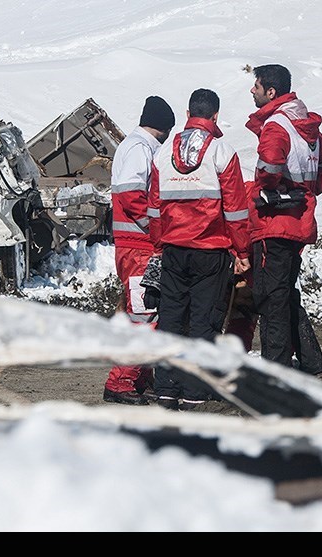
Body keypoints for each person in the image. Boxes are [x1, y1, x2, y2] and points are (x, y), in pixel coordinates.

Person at [148, 88, 251, 410]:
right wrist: (242, 251)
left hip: (173, 250)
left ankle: (166, 387)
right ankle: (194, 392)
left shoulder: (163, 154)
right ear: (215, 116)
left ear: (188, 112)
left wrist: (158, 243)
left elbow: (154, 207)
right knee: (204, 321)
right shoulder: (222, 152)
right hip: (211, 249)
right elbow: (235, 208)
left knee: (171, 319)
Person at [245, 64, 322, 378]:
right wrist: (306, 192)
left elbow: (269, 166)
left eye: (255, 86)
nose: (251, 91)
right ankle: (313, 365)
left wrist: (268, 190)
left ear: (271, 92)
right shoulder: (304, 124)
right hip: (297, 222)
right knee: (284, 293)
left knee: (270, 298)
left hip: (274, 223)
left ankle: (277, 373)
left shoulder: (276, 125)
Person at [102, 96, 175, 405]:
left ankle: (137, 379)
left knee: (145, 314)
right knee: (144, 317)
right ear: (166, 128)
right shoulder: (140, 149)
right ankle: (120, 383)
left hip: (135, 247)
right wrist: (158, 227)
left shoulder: (135, 147)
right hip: (138, 249)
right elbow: (133, 197)